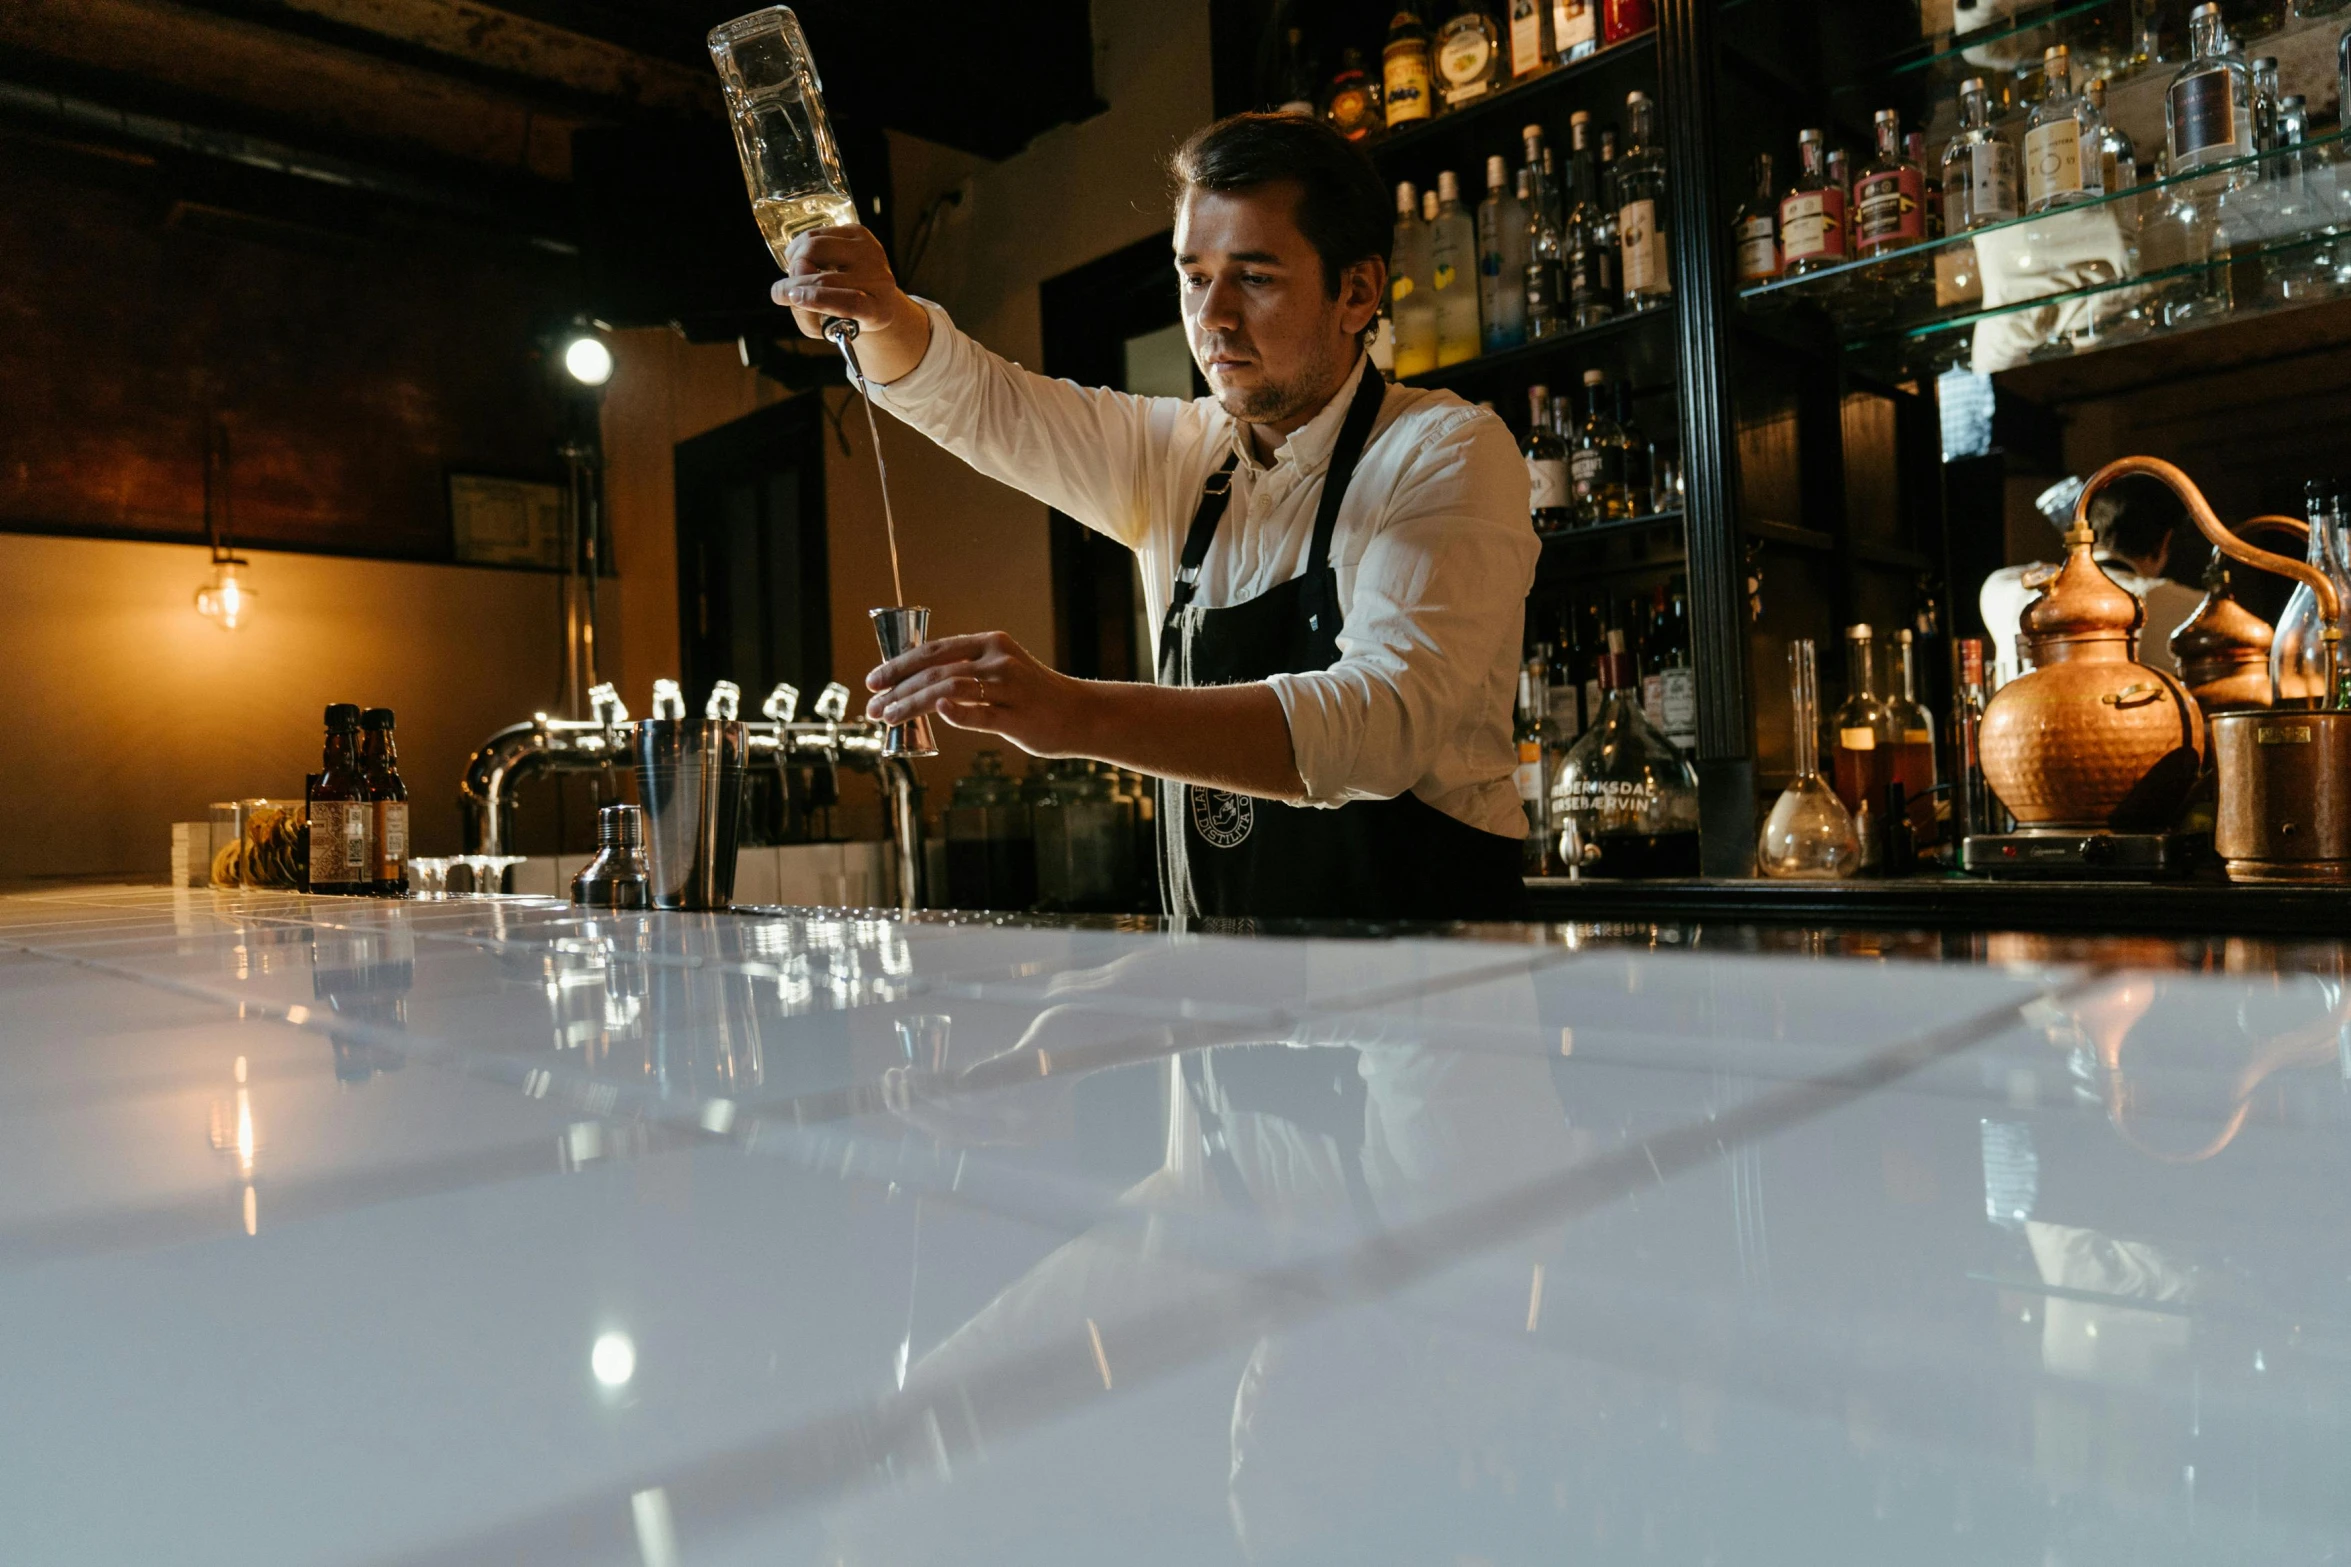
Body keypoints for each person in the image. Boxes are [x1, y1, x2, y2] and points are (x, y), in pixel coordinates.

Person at [771, 113, 1538, 923]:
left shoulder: (1445, 450)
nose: (1211, 317)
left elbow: (1379, 725)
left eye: (1255, 276)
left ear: (1357, 291)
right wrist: (886, 316)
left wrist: (1076, 712)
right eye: (1193, 275)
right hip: (1225, 1018)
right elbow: (984, 405)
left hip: (1424, 1023)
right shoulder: (1180, 454)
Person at [1980, 473, 2204, 683]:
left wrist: (2079, 553)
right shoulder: (2190, 607)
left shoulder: (2002, 589)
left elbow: (2025, 574)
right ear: (2165, 541)